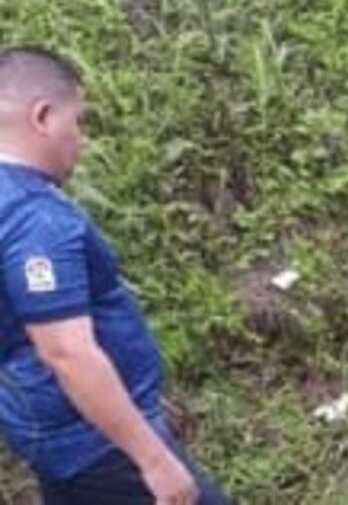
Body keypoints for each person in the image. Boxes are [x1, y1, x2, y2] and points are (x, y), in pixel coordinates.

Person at [0, 46, 230, 505]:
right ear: (42, 117)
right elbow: (68, 353)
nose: (80, 140)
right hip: (95, 445)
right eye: (77, 121)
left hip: (49, 432)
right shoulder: (34, 220)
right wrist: (153, 459)